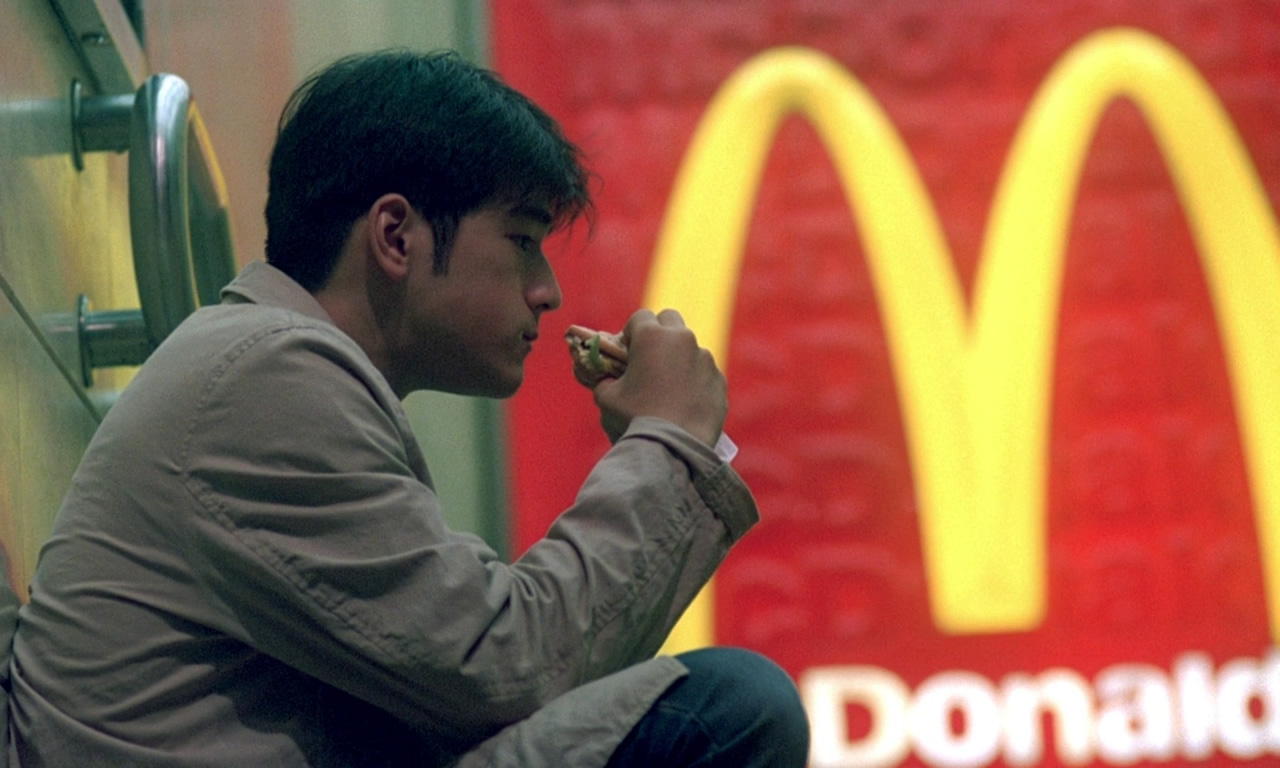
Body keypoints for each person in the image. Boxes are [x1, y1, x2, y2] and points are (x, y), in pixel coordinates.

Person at [6, 50, 808, 766]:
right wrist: (669, 444)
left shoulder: (268, 364)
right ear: (396, 236)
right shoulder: (272, 373)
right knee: (730, 708)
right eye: (523, 241)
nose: (549, 293)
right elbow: (507, 665)